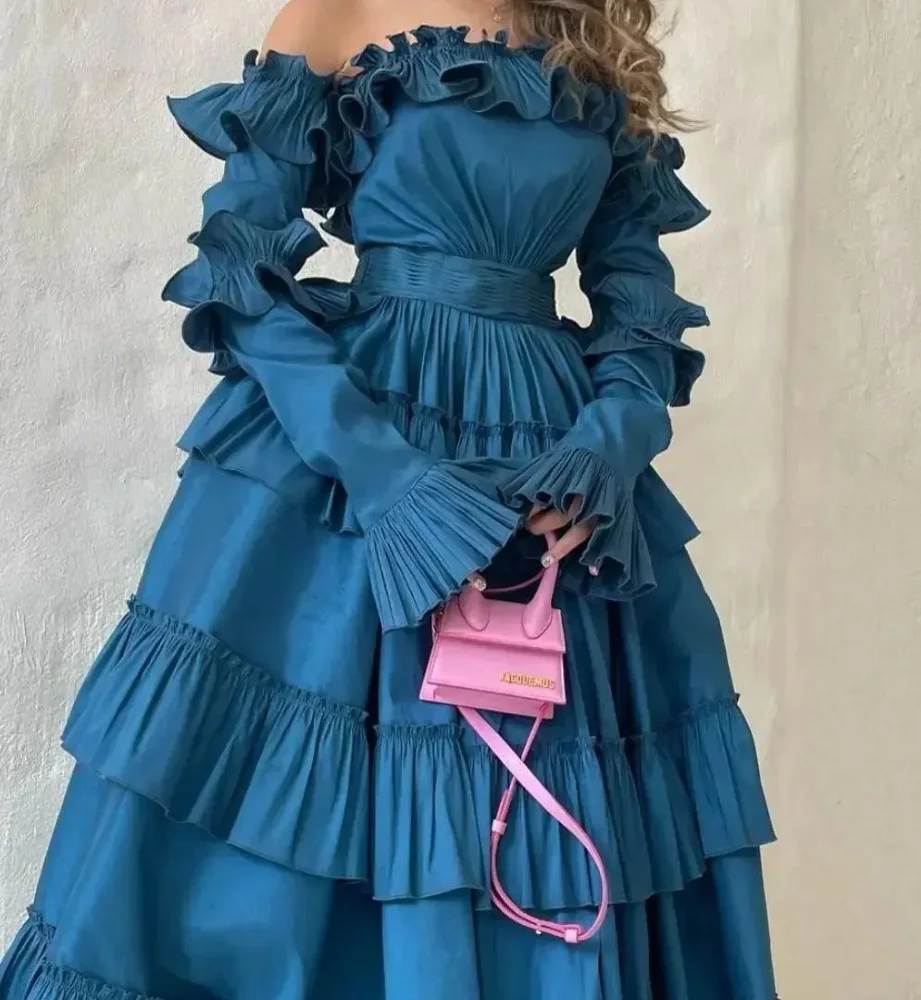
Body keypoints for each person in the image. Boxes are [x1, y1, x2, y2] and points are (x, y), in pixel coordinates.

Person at [0, 1, 779, 997]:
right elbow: (241, 271)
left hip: (550, 475)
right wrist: (387, 477)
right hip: (354, 454)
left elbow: (639, 301)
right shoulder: (331, 16)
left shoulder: (587, 39)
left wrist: (607, 449)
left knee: (542, 789)